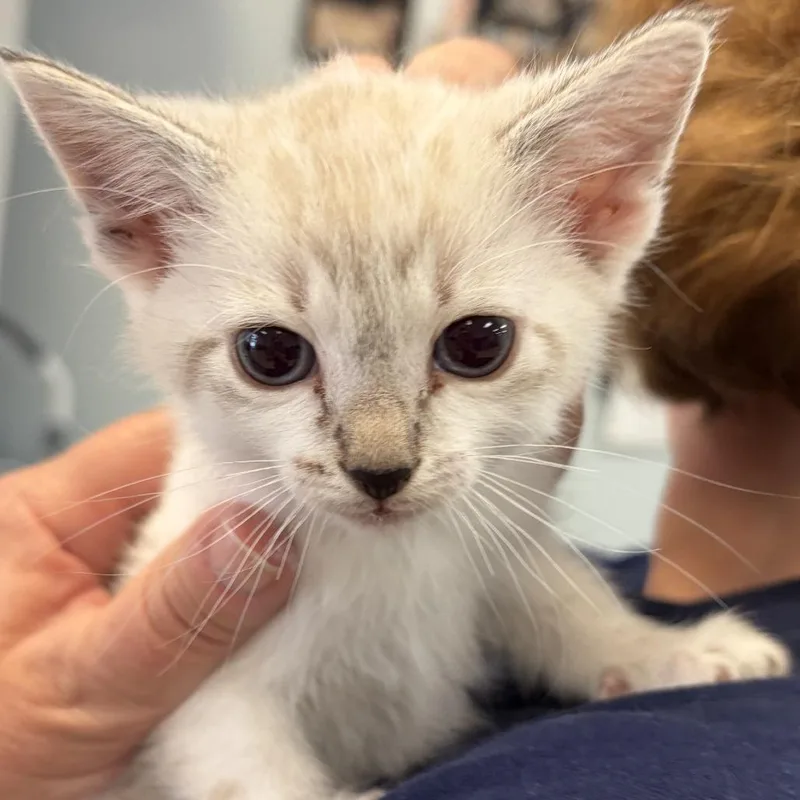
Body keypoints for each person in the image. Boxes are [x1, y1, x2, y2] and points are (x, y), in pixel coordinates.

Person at [1, 13, 799, 799]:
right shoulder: (216, 508)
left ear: (598, 212)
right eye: (273, 355)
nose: (379, 455)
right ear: (148, 236)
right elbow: (209, 695)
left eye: (474, 345)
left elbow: (512, 569)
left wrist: (629, 651)